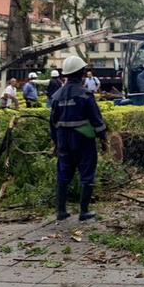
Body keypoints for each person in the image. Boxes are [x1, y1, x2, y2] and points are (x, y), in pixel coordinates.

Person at [50, 55, 107, 222]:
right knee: (87, 173)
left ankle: (61, 212)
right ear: (82, 72)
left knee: (63, 173)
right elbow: (97, 121)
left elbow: (52, 123)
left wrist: (56, 142)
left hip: (63, 140)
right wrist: (103, 139)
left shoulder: (56, 96)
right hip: (82, 140)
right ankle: (84, 211)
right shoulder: (85, 95)